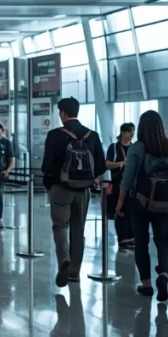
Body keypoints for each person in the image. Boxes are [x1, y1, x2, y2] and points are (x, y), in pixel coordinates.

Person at [115, 111, 168, 302]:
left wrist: (119, 204)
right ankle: (164, 275)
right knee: (163, 241)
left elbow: (127, 181)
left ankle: (146, 285)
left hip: (140, 203)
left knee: (142, 243)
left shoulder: (137, 148)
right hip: (165, 203)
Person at [41, 97, 106, 288]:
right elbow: (101, 165)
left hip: (60, 189)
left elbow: (46, 165)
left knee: (60, 227)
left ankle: (63, 259)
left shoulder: (55, 135)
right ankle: (75, 273)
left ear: (63, 113)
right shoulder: (91, 135)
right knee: (78, 230)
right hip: (83, 191)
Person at [106, 123, 136, 251]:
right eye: (129, 131)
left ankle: (131, 238)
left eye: (133, 131)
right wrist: (122, 163)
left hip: (133, 185)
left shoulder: (135, 148)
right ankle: (122, 239)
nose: (132, 134)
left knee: (132, 211)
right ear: (123, 132)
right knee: (120, 211)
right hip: (118, 184)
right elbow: (107, 164)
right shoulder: (114, 147)